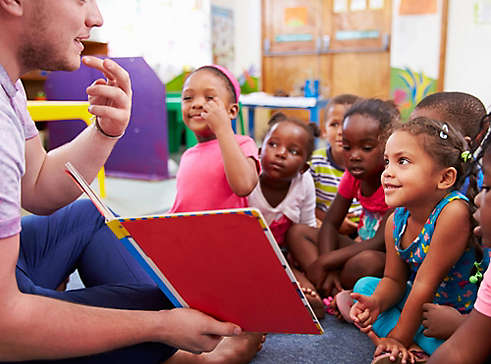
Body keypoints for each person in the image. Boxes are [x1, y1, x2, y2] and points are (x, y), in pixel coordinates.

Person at [0, 1, 262, 363]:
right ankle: (186, 358)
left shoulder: (9, 90)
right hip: (6, 316)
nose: (96, 17)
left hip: (13, 266)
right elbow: (3, 327)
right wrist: (159, 327)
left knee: (90, 215)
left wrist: (106, 132)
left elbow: (39, 186)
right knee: (168, 312)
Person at [349, 117, 485, 363]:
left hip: (458, 315)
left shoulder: (453, 213)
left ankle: (405, 345)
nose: (388, 172)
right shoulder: (396, 221)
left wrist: (397, 337)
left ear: (444, 178)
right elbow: (394, 280)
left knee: (462, 341)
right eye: (387, 161)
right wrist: (376, 301)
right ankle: (415, 348)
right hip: (422, 308)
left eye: (403, 162)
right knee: (364, 288)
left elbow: (424, 284)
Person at [286, 98, 399, 316]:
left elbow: (380, 242)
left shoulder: (393, 181)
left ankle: (323, 285)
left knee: (369, 262)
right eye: (347, 147)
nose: (354, 156)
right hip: (354, 250)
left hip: (382, 258)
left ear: (388, 146)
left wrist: (325, 261)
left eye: (366, 148)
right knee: (298, 232)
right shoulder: (353, 176)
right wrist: (326, 264)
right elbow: (330, 223)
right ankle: (330, 285)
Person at [410, 92, 491, 341]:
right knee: (368, 287)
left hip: (466, 305)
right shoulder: (416, 185)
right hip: (433, 300)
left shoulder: (459, 205)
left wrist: (462, 325)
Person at [247, 112, 323, 317]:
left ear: (303, 167)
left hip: (283, 256)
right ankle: (273, 298)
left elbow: (307, 225)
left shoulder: (304, 182)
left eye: (293, 151)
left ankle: (303, 296)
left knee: (309, 297)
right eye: (273, 145)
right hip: (248, 253)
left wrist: (301, 265)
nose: (281, 153)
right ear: (260, 151)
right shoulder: (248, 176)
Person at [427, 130, 491, 363]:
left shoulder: (454, 211)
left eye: (489, 188)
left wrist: (461, 324)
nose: (477, 199)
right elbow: (459, 351)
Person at [169, 64, 259, 213]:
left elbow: (244, 186)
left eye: (209, 98)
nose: (197, 104)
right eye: (188, 98)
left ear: (231, 110)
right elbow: (180, 209)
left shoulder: (243, 144)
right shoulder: (187, 156)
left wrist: (223, 128)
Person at [310, 94, 362, 233]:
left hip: (362, 232)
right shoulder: (315, 163)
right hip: (326, 227)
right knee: (298, 232)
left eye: (347, 124)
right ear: (324, 131)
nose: (341, 131)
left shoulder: (368, 165)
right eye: (334, 124)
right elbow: (304, 205)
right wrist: (332, 221)